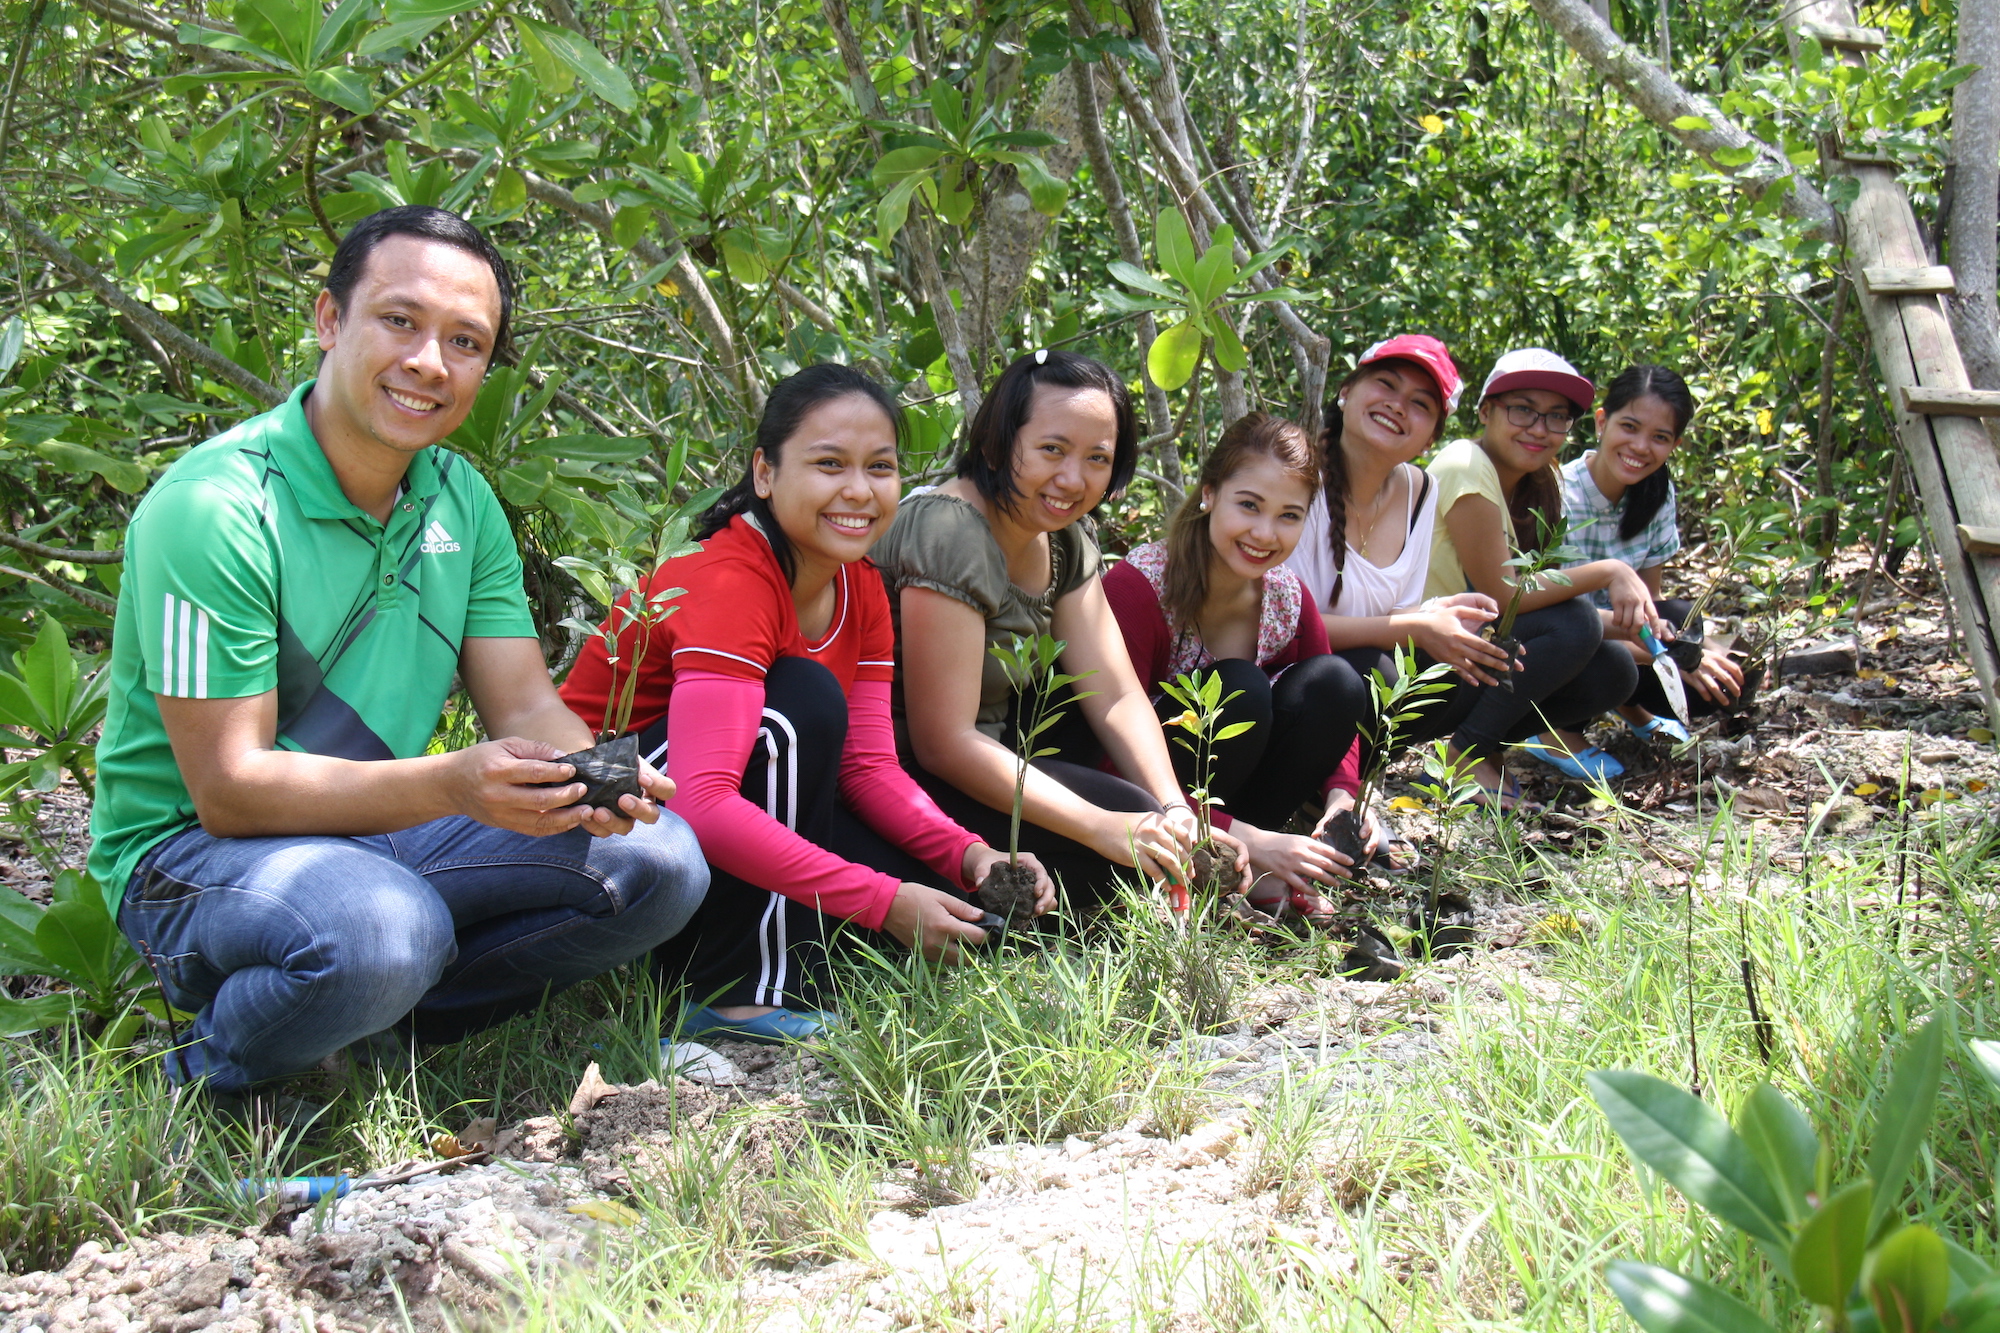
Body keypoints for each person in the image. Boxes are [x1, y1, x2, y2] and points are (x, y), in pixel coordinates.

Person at [87, 206, 709, 1109]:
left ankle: (368, 1026)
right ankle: (208, 1070)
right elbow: (227, 787)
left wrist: (590, 780)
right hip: (189, 855)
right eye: (400, 321)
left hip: (368, 832)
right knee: (386, 928)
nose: (430, 362)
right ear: (330, 319)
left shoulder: (462, 499)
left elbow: (526, 708)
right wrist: (455, 785)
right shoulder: (216, 508)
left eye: (465, 340)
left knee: (661, 864)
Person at [559, 365, 1054, 1044]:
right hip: (595, 813)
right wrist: (883, 900)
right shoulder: (730, 577)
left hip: (694, 809)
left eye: (880, 467)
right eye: (829, 464)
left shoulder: (861, 586)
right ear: (764, 472)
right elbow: (703, 797)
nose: (858, 490)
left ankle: (783, 967)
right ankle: (727, 995)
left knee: (967, 917)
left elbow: (868, 769)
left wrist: (969, 856)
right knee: (800, 699)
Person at [872, 350, 1245, 905]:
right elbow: (942, 743)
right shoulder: (949, 528)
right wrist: (1101, 825)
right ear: (1000, 442)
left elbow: (1116, 694)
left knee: (1156, 827)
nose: (1072, 478)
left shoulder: (1066, 536)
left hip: (996, 757)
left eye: (1097, 457)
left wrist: (1174, 807)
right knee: (1128, 852)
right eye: (1051, 449)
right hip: (902, 785)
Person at [1102, 412, 1366, 915]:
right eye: (1249, 505)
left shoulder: (1285, 595)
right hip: (1142, 794)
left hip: (1233, 800)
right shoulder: (1140, 588)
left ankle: (1243, 865)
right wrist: (1242, 834)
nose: (1265, 533)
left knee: (1336, 683)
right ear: (1209, 494)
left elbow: (1334, 708)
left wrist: (1342, 800)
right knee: (1240, 687)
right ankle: (1220, 856)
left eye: (1289, 515)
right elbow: (1105, 753)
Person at [1279, 335, 1511, 826]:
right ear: (1346, 392)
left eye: (1421, 404)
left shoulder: (1420, 488)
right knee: (1371, 671)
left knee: (1479, 664)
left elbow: (1399, 616)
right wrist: (1416, 625)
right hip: (1283, 681)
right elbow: (1282, 625)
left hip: (1358, 675)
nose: (1397, 406)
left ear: (1432, 437)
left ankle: (1347, 791)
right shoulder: (1294, 474)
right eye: (1385, 384)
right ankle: (1304, 793)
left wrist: (1444, 621)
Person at [1422, 347, 1662, 803]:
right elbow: (1504, 594)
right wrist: (1610, 571)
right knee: (1580, 623)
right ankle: (1462, 756)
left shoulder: (1537, 483)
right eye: (1523, 410)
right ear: (1487, 410)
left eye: (1556, 417)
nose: (1539, 428)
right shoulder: (1464, 464)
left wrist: (1638, 627)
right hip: (1428, 656)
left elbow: (1528, 610)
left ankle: (1487, 747)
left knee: (1614, 668)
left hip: (1480, 646)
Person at [1524, 364, 1744, 760]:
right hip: (1561, 643)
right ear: (1602, 423)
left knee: (1684, 624)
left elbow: (1651, 602)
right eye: (1629, 427)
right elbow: (1552, 617)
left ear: (1674, 444)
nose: (1641, 447)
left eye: (1659, 437)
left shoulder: (1655, 494)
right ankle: (1555, 732)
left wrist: (1692, 647)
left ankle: (1632, 709)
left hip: (1625, 639)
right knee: (1609, 656)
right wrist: (1677, 656)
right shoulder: (1555, 494)